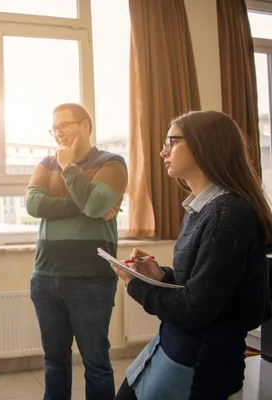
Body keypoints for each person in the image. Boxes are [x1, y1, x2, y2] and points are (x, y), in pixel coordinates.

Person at [111, 110, 272, 400]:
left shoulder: (227, 214)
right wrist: (161, 275)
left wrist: (134, 284)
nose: (163, 151)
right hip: (177, 346)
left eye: (171, 141)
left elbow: (196, 309)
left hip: (198, 361)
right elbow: (204, 288)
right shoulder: (205, 209)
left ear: (205, 144)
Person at [26, 103, 128, 400]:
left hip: (92, 279)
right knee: (54, 361)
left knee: (96, 363)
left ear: (86, 125)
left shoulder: (113, 163)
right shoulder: (46, 163)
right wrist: (85, 205)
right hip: (45, 278)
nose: (58, 133)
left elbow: (96, 205)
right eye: (54, 128)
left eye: (65, 125)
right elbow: (34, 205)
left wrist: (70, 168)